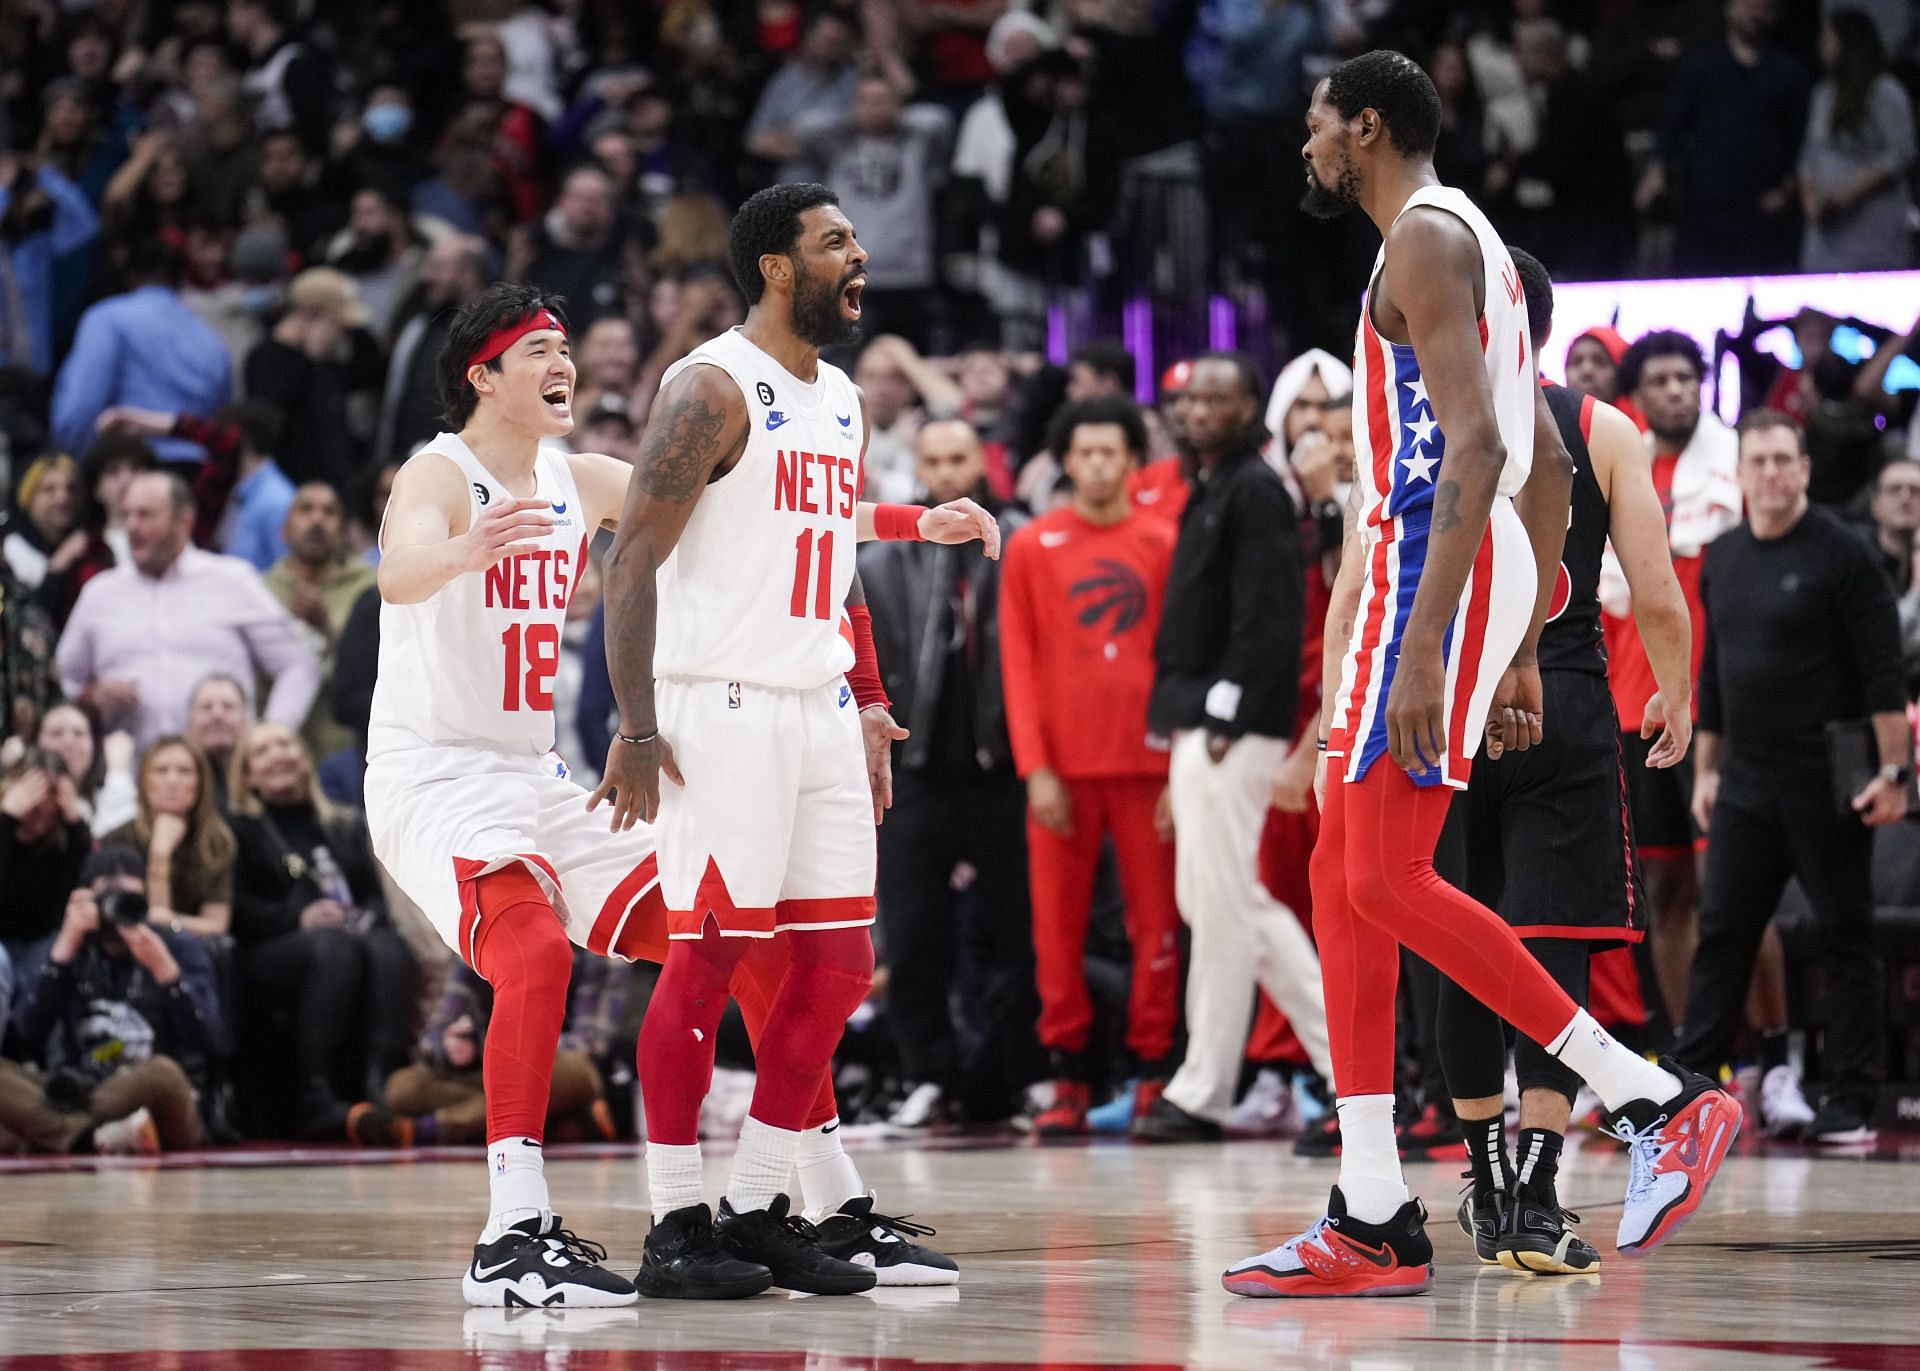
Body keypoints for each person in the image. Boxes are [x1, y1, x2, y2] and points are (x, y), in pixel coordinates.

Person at [1224, 51, 1740, 1300]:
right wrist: (1515, 637)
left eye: (1317, 126)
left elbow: (1485, 446)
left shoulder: (1428, 241)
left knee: (1390, 876)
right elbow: (1549, 458)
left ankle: (1649, 1097)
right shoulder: (1479, 249)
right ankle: (1373, 1207)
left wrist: (1429, 638)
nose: (1307, 146)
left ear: (1370, 125)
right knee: (1335, 874)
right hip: (1459, 572)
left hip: (1427, 565)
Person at [367, 276, 959, 1305]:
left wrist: (906, 520)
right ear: (484, 377)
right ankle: (513, 1232)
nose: (562, 365)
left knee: (738, 944)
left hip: (538, 776)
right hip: (433, 777)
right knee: (536, 953)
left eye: (564, 348)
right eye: (537, 352)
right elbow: (398, 569)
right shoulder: (439, 472)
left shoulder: (577, 474)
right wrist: (463, 550)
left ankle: (825, 1197)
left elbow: (760, 517)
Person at [596, 184, 994, 1298]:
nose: (859, 254)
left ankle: (762, 1200)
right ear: (777, 266)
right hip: (719, 708)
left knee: (837, 965)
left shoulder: (841, 399)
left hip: (817, 710)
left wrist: (867, 693)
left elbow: (828, 552)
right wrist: (635, 726)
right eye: (835, 242)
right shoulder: (710, 387)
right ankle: (677, 1222)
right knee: (711, 959)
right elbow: (629, 561)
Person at [1434, 250, 1694, 1276]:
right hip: (1567, 701)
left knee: (1454, 942)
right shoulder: (1604, 427)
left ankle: (1488, 1184)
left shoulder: (1430, 424)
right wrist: (1674, 691)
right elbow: (1657, 590)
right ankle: (1540, 1189)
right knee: (1552, 946)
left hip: (1446, 708)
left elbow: (1372, 576)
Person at [1679, 411, 1910, 1147]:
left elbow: (1883, 676)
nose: (1773, 473)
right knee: (1723, 934)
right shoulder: (1723, 557)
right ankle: (1685, 1095)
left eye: (1785, 459)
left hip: (1825, 780)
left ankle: (1849, 1099)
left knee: (1848, 932)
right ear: (1740, 473)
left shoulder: (1845, 555)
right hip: (1745, 778)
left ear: (1806, 470)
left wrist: (1896, 772)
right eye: (1760, 461)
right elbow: (1714, 675)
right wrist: (1706, 771)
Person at [1133, 353, 1333, 1145]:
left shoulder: (1253, 487)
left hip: (1234, 725)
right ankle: (1215, 1083)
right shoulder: (1215, 483)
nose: (1201, 409)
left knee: (1232, 902)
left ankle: (1341, 1073)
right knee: (1215, 905)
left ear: (1253, 406)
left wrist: (1221, 718)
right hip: (1204, 718)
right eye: (1190, 398)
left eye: (1221, 396)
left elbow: (1271, 620)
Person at [999, 395, 1179, 1134]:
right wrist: (1036, 765)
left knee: (1156, 923)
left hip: (1146, 764)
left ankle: (1151, 1068)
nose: (1099, 464)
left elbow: (1177, 658)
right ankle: (1068, 1073)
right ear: (1065, 462)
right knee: (1057, 929)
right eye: (1086, 452)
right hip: (1063, 769)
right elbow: (1019, 661)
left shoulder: (1164, 542)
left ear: (1133, 460)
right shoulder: (1033, 546)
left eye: (1112, 451)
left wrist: (1175, 766)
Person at [858, 417, 1040, 1128]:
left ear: (983, 461)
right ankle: (927, 1072)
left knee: (1013, 929)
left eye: (959, 457)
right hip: (916, 766)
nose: (947, 471)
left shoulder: (1019, 543)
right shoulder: (882, 558)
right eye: (933, 459)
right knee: (915, 932)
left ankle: (1017, 1074)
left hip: (1000, 765)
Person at [1600, 330, 1741, 1035]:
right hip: (1634, 708)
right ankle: (1694, 1056)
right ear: (1637, 395)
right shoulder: (1614, 472)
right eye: (1660, 379)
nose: (1677, 389)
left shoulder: (1740, 470)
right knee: (1665, 890)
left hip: (1719, 709)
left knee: (1734, 892)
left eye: (1687, 377)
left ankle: (1764, 1053)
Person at [227, 720, 415, 1138]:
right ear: (247, 775)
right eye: (263, 751)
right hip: (268, 949)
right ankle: (315, 1094)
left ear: (305, 759)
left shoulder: (342, 824)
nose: (278, 754)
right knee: (332, 947)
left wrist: (363, 918)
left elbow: (373, 899)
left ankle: (378, 1085)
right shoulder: (239, 828)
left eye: (286, 744)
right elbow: (237, 909)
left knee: (388, 945)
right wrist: (297, 918)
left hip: (346, 939)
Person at [55, 470, 320, 749]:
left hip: (224, 774)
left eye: (145, 515)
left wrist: (269, 738)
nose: (131, 526)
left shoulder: (232, 581)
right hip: (131, 776)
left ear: (183, 521)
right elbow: (65, 678)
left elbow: (297, 664)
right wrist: (91, 695)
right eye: (127, 515)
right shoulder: (100, 593)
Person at [0, 845, 221, 1154]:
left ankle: (51, 1129)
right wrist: (64, 950)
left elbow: (212, 1040)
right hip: (80, 1086)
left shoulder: (177, 946)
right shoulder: (69, 943)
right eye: (107, 899)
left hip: (157, 1095)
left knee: (161, 1073)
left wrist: (166, 972)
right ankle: (85, 1136)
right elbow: (27, 1031)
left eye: (129, 899)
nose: (116, 912)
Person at [384, 958, 613, 1145]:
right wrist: (449, 1047)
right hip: (489, 1067)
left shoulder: (594, 943)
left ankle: (432, 1129)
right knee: (402, 1087)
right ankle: (556, 1123)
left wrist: (507, 1046)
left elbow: (590, 1043)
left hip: (550, 1066)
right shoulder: (480, 937)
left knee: (580, 1074)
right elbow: (436, 1032)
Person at [50, 239, 233, 465]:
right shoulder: (210, 337)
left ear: (129, 276)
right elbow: (220, 423)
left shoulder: (107, 318)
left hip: (131, 469)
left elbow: (78, 411)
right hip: (196, 473)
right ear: (179, 279)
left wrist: (79, 462)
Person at [263, 482, 378, 763]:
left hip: (349, 749)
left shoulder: (371, 588)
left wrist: (327, 627)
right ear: (284, 528)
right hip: (277, 750)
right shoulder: (262, 590)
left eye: (329, 512)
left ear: (343, 529)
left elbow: (376, 666)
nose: (317, 520)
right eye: (305, 510)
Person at [1797, 8, 1916, 273]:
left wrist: (1845, 196)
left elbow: (1900, 153)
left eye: (1828, 39)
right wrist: (1809, 198)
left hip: (1871, 227)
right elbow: (1809, 153)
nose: (1822, 46)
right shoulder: (1822, 95)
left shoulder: (1886, 92)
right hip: (1825, 235)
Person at [101, 736, 236, 939]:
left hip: (194, 950)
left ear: (201, 782)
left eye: (184, 771)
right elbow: (135, 923)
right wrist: (160, 854)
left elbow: (216, 925)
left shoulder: (217, 841)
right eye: (161, 771)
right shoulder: (117, 840)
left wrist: (170, 921)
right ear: (144, 781)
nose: (172, 781)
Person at [184, 673, 249, 811]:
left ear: (246, 722)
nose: (217, 714)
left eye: (228, 707)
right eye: (206, 707)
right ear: (189, 724)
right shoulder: (174, 784)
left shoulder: (265, 782)